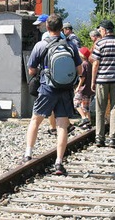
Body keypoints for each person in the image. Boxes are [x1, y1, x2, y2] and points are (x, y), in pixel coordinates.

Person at [23, 15, 82, 175]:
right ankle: (59, 163)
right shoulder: (70, 45)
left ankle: (28, 154)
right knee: (63, 125)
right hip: (65, 90)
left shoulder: (41, 45)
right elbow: (80, 70)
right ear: (62, 28)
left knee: (36, 120)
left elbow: (31, 70)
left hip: (47, 89)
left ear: (47, 28)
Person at [92, 20, 115, 148]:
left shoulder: (99, 44)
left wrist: (93, 81)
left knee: (100, 108)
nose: (99, 32)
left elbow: (95, 64)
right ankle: (114, 138)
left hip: (102, 80)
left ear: (104, 30)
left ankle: (99, 138)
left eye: (100, 30)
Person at [73, 47, 94, 129]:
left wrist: (78, 87)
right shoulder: (89, 64)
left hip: (83, 88)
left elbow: (82, 77)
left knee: (76, 102)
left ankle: (84, 118)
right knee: (86, 106)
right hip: (89, 88)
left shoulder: (83, 64)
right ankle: (88, 123)